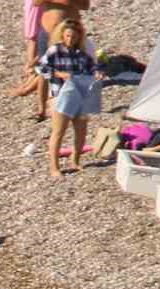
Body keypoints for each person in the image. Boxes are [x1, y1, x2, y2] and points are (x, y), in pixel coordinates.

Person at [41, 20, 101, 179]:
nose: (70, 39)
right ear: (62, 35)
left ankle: (75, 160)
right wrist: (59, 74)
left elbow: (93, 68)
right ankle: (54, 168)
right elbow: (42, 69)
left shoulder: (82, 55)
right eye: (68, 36)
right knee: (58, 131)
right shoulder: (55, 50)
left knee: (81, 131)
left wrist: (97, 74)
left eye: (73, 37)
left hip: (80, 95)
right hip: (60, 94)